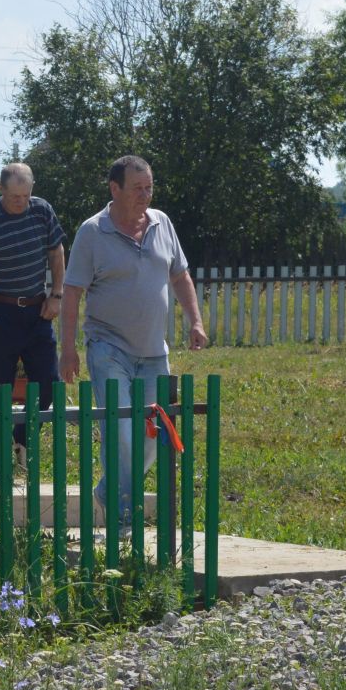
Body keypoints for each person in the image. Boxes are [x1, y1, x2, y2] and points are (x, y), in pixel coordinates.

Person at [59, 155, 207, 519]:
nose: (145, 194)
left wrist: (195, 321)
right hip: (108, 348)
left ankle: (108, 492)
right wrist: (68, 351)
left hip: (154, 351)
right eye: (137, 188)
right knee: (122, 430)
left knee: (153, 437)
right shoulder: (93, 232)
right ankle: (125, 514)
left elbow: (180, 276)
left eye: (149, 187)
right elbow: (72, 293)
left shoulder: (162, 223)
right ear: (115, 189)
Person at [0, 162, 65, 476]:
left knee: (50, 386)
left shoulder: (41, 210)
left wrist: (56, 292)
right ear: (1, 189)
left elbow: (56, 251)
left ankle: (20, 434)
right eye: (15, 195)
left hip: (37, 310)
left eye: (26, 193)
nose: (21, 201)